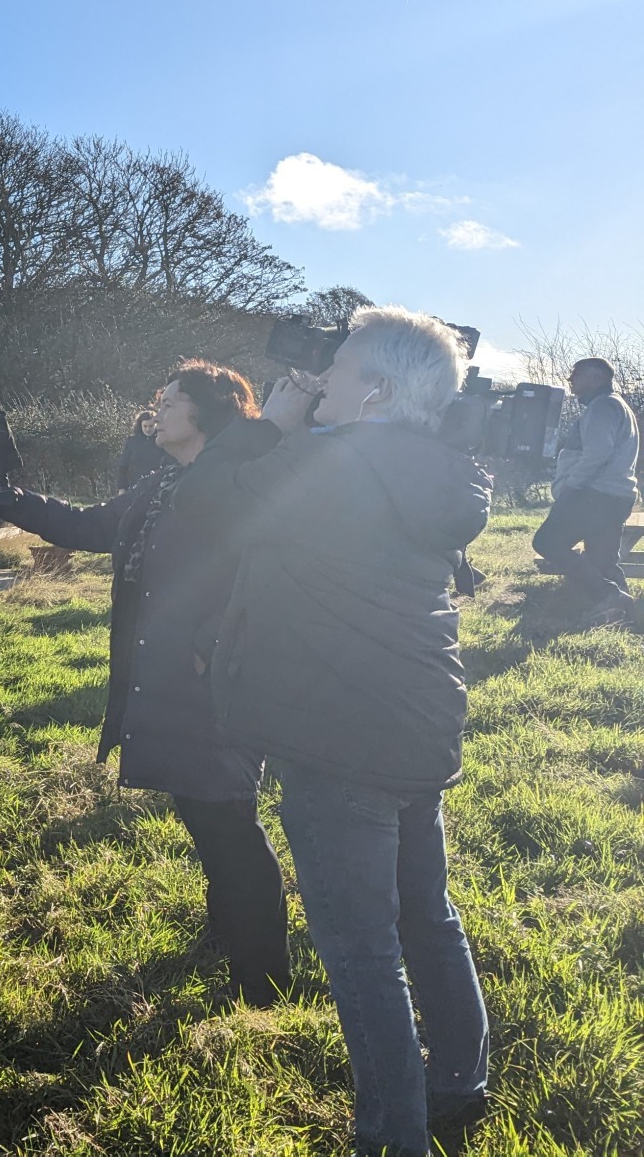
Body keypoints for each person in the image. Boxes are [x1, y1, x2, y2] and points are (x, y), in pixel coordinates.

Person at [180, 307, 491, 1157]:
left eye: (340, 369)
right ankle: (460, 1078)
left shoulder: (328, 463)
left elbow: (204, 501)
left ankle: (394, 1139)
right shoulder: (441, 467)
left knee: (362, 951)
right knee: (428, 913)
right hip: (419, 721)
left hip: (336, 735)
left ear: (381, 392)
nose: (321, 379)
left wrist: (270, 423)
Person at [0, 362, 290, 1005]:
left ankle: (267, 982)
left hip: (213, 680)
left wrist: (208, 646)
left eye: (170, 402)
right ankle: (227, 937)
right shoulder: (165, 483)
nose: (157, 411)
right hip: (166, 674)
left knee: (228, 818)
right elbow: (90, 525)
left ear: (207, 412)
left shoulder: (232, 485)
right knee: (203, 811)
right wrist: (9, 502)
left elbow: (257, 575)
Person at [531, 357, 638, 624]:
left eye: (576, 376)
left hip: (595, 494)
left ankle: (608, 595)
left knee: (547, 542)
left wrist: (572, 485)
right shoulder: (618, 406)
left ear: (596, 377)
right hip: (618, 496)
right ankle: (634, 618)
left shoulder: (602, 407)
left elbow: (598, 453)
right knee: (602, 561)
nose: (571, 381)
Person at [116, 407, 175, 491]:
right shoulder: (132, 442)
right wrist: (121, 488)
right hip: (134, 487)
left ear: (156, 425)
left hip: (157, 487)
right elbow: (123, 466)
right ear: (140, 425)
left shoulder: (163, 442)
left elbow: (170, 463)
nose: (148, 429)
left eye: (151, 426)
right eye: (145, 426)